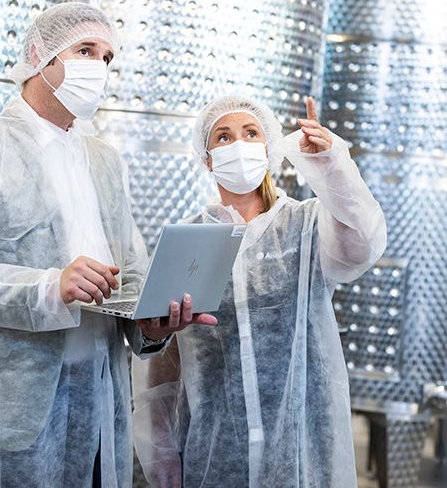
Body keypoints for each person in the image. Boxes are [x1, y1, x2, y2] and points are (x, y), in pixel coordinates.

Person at [0, 2, 214, 488]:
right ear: (40, 55)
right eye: (85, 51)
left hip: (99, 406)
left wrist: (150, 324)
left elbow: (130, 273)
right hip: (8, 411)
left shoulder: (104, 161)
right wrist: (50, 287)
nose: (99, 66)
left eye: (107, 57)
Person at [132, 95, 387, 487]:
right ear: (207, 159)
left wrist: (330, 165)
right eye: (223, 137)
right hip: (214, 459)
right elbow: (163, 367)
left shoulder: (308, 225)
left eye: (251, 133)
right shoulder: (189, 241)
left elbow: (363, 247)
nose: (238, 144)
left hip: (301, 456)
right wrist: (162, 455)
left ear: (268, 148)